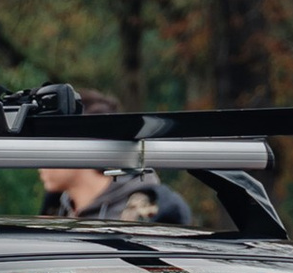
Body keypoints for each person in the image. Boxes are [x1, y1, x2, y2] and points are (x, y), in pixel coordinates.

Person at [40, 93, 191, 230]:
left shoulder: (144, 216)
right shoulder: (56, 208)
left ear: (84, 146)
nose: (39, 160)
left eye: (51, 144)